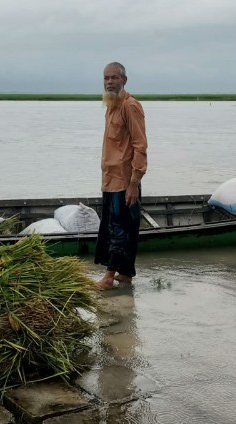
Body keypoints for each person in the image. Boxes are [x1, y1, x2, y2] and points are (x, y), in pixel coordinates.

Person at [95, 62, 148, 290]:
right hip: (110, 179)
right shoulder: (111, 105)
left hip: (125, 181)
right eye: (106, 78)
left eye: (114, 78)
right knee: (118, 226)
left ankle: (108, 277)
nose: (109, 82)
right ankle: (125, 275)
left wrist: (134, 183)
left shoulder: (130, 106)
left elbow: (140, 146)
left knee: (118, 228)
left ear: (124, 80)